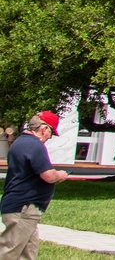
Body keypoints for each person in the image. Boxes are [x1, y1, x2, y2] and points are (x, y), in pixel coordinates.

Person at [0, 111, 70, 260]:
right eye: (51, 133)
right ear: (44, 128)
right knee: (8, 252)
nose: (49, 137)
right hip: (23, 208)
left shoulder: (20, 142)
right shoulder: (34, 145)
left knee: (27, 253)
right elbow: (49, 176)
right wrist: (61, 174)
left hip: (24, 208)